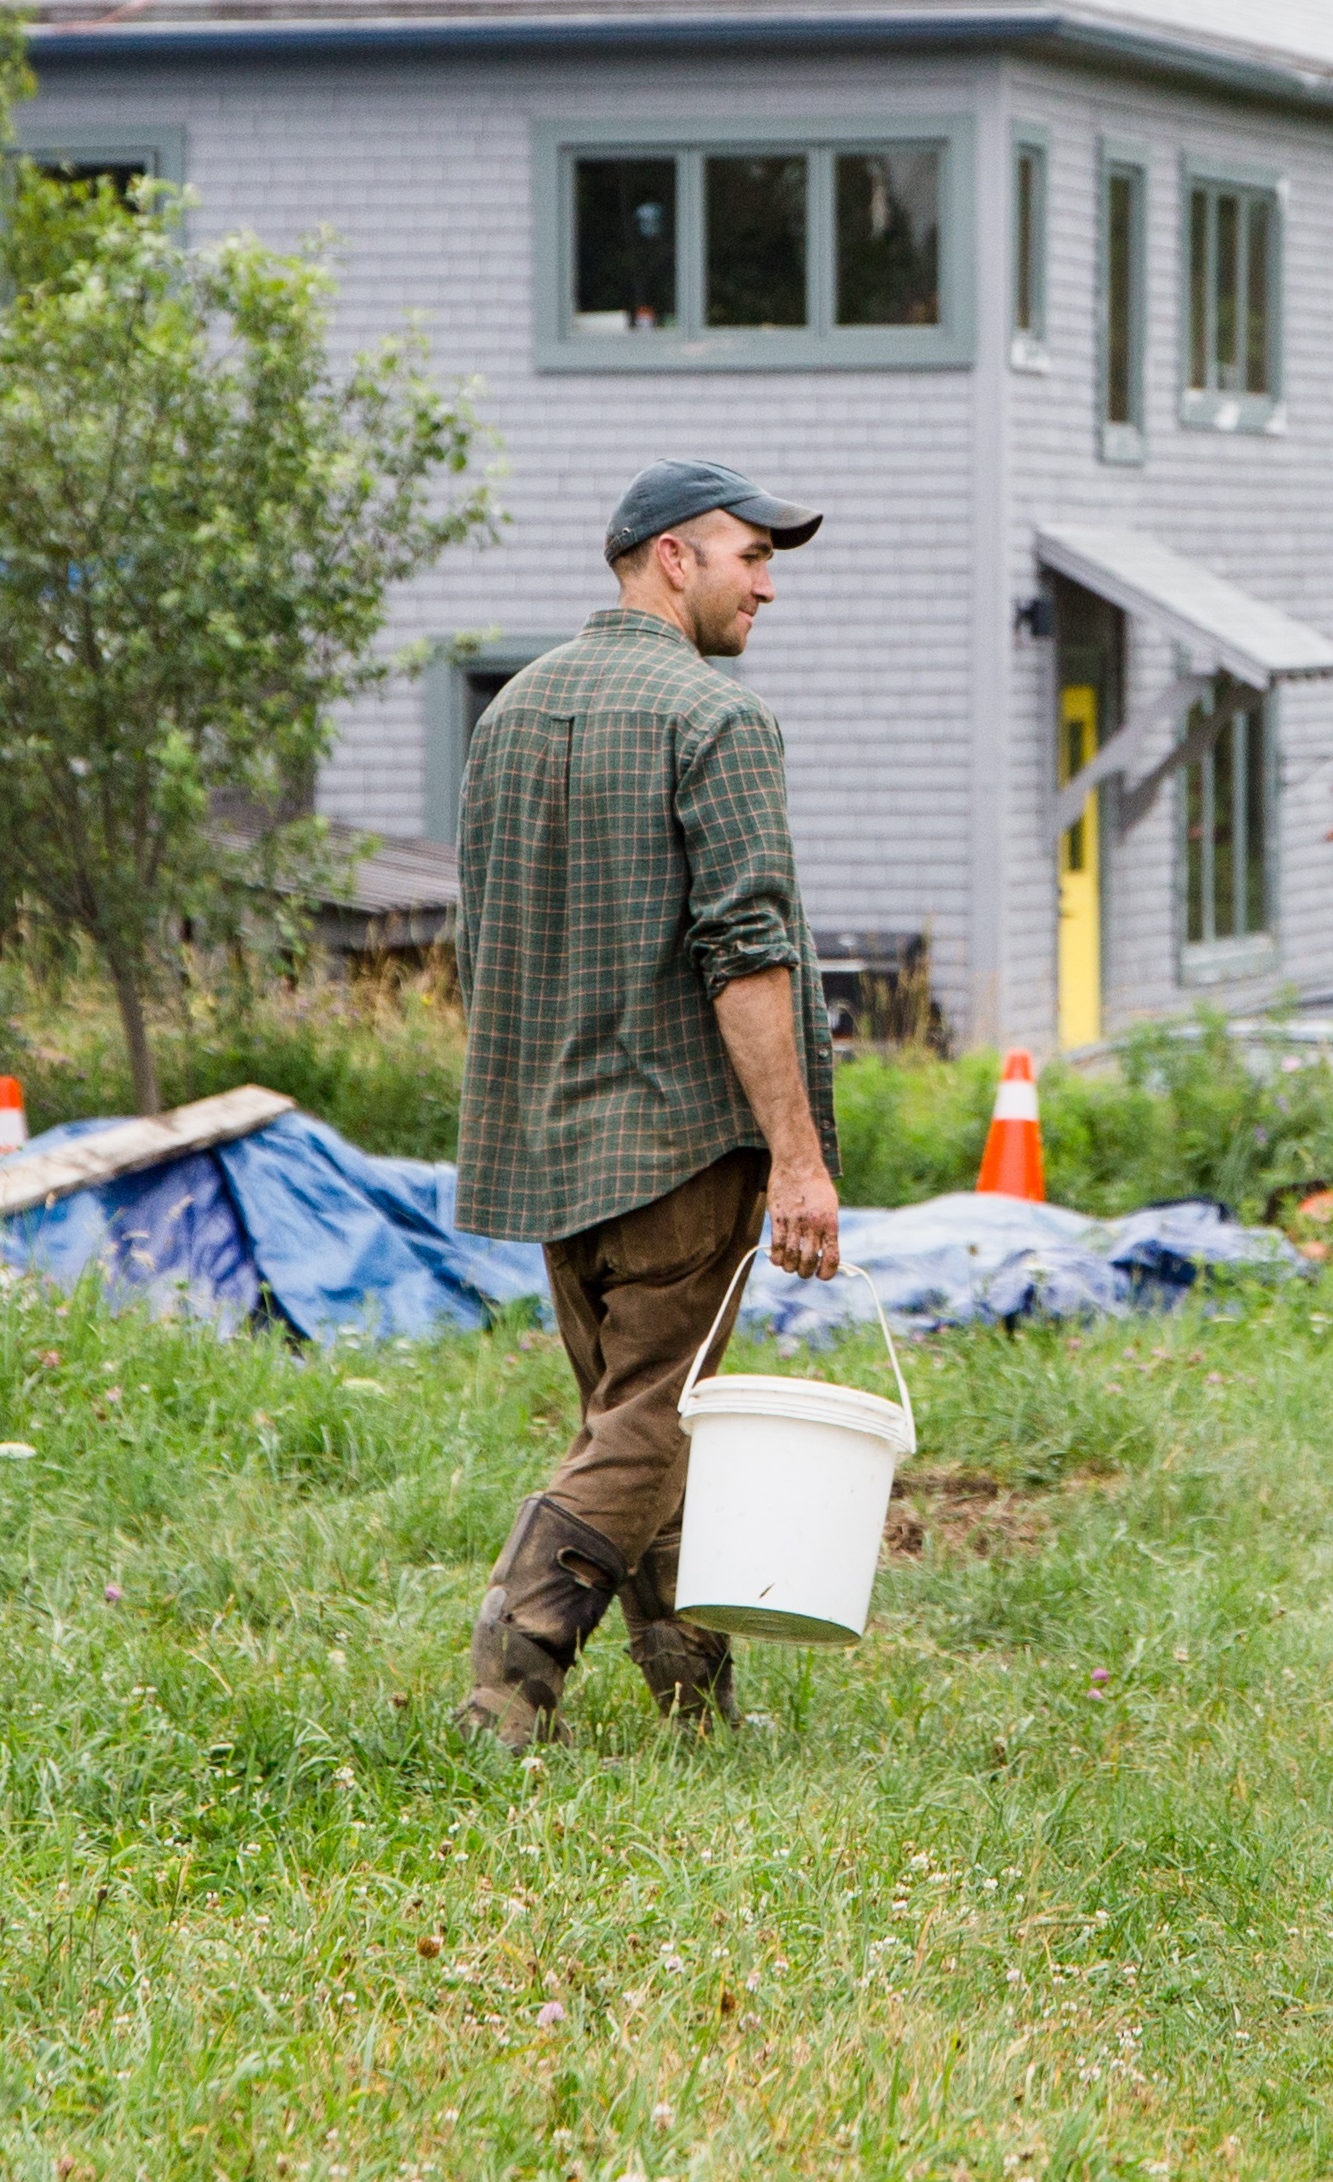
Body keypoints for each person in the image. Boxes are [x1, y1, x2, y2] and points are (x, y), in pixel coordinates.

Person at [445, 457, 854, 1751]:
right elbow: (749, 953)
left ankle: (696, 1699)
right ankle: (505, 1692)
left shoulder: (508, 716)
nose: (768, 586)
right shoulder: (714, 720)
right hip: (676, 1144)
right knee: (646, 1426)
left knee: (643, 1423)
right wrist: (795, 1158)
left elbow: (486, 944)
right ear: (672, 558)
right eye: (752, 555)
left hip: (548, 1144)